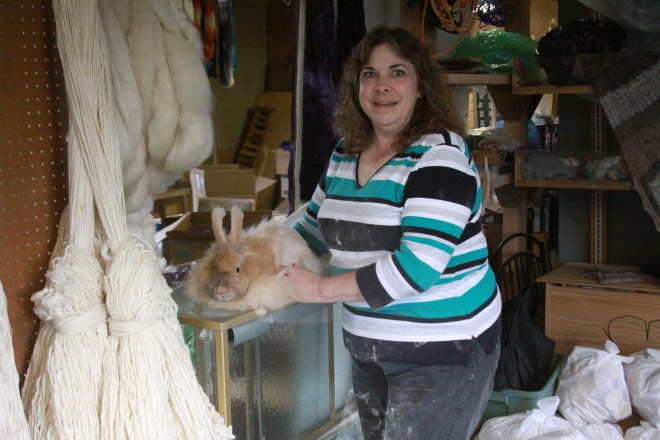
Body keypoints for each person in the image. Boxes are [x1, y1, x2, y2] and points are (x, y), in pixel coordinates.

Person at [286, 26, 501, 440]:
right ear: (356, 87)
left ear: (420, 87)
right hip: (369, 347)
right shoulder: (346, 153)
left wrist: (316, 288)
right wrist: (252, 257)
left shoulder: (440, 157)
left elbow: (417, 268)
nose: (382, 86)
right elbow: (310, 229)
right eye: (369, 74)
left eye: (397, 72)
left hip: (444, 350)